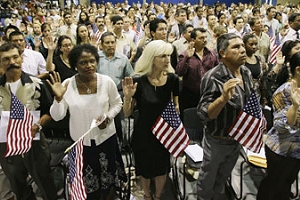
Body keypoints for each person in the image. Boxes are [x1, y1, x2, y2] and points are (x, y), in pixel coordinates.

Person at [47, 44, 125, 200]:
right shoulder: (67, 85)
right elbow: (57, 116)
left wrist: (108, 117)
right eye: (83, 62)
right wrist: (58, 99)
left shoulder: (106, 81)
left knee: (108, 184)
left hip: (106, 140)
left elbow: (117, 104)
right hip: (81, 144)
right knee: (86, 187)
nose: (89, 65)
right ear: (75, 65)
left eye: (92, 61)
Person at [197, 33, 253, 200]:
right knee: (207, 181)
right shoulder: (214, 77)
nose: (242, 50)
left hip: (237, 138)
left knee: (222, 179)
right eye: (236, 47)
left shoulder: (246, 72)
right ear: (223, 53)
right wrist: (222, 99)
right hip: (217, 140)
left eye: (242, 46)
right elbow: (203, 113)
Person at [122, 40, 179, 200]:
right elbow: (127, 113)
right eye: (163, 56)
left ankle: (158, 196)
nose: (167, 59)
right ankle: (147, 195)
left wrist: (175, 113)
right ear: (151, 58)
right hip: (144, 132)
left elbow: (176, 105)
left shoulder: (173, 79)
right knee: (144, 168)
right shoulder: (138, 81)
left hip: (164, 131)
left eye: (168, 55)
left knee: (162, 167)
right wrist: (127, 98)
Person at [0, 43, 57, 200]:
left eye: (15, 57)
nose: (11, 62)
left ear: (21, 59)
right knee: (17, 185)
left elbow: (50, 111)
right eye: (6, 59)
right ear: (0, 63)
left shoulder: (37, 84)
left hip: (34, 141)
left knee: (45, 182)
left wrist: (38, 124)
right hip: (6, 143)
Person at [257, 52, 300, 200]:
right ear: (298, 70)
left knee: (285, 187)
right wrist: (294, 107)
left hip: (296, 152)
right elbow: (281, 127)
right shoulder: (284, 91)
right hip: (281, 151)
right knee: (273, 188)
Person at [176, 28, 218, 118]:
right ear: (193, 40)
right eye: (201, 38)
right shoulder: (184, 55)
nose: (205, 40)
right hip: (191, 96)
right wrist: (187, 58)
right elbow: (179, 72)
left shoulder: (212, 54)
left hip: (209, 95)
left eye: (206, 37)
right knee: (192, 123)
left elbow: (218, 72)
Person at [243, 33, 268, 105]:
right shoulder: (241, 60)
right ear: (244, 45)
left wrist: (264, 97)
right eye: (251, 44)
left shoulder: (260, 59)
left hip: (257, 95)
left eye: (255, 44)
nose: (254, 47)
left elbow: (263, 79)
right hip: (244, 96)